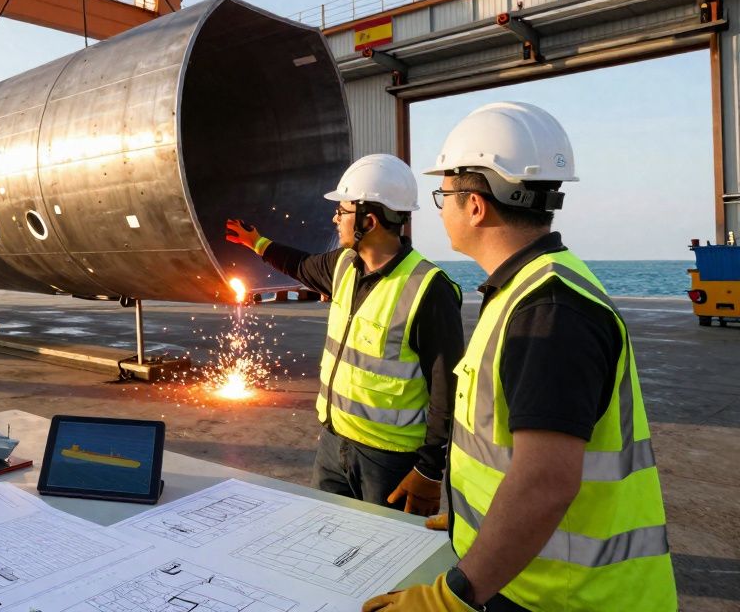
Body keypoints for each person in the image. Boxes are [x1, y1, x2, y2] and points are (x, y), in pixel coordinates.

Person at [363, 102, 676, 611]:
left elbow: (545, 482)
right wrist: (474, 518)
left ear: (476, 206)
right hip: (530, 576)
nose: (439, 208)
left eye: (444, 194)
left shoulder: (549, 310)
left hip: (567, 597)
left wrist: (450, 597)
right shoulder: (527, 289)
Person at [226, 154, 463, 517]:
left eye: (343, 210)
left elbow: (447, 389)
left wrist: (430, 470)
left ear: (369, 220)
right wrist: (257, 243)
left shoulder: (429, 290)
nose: (335, 218)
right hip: (333, 443)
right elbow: (300, 265)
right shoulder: (341, 266)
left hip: (390, 461)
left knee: (385, 561)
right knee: (326, 541)